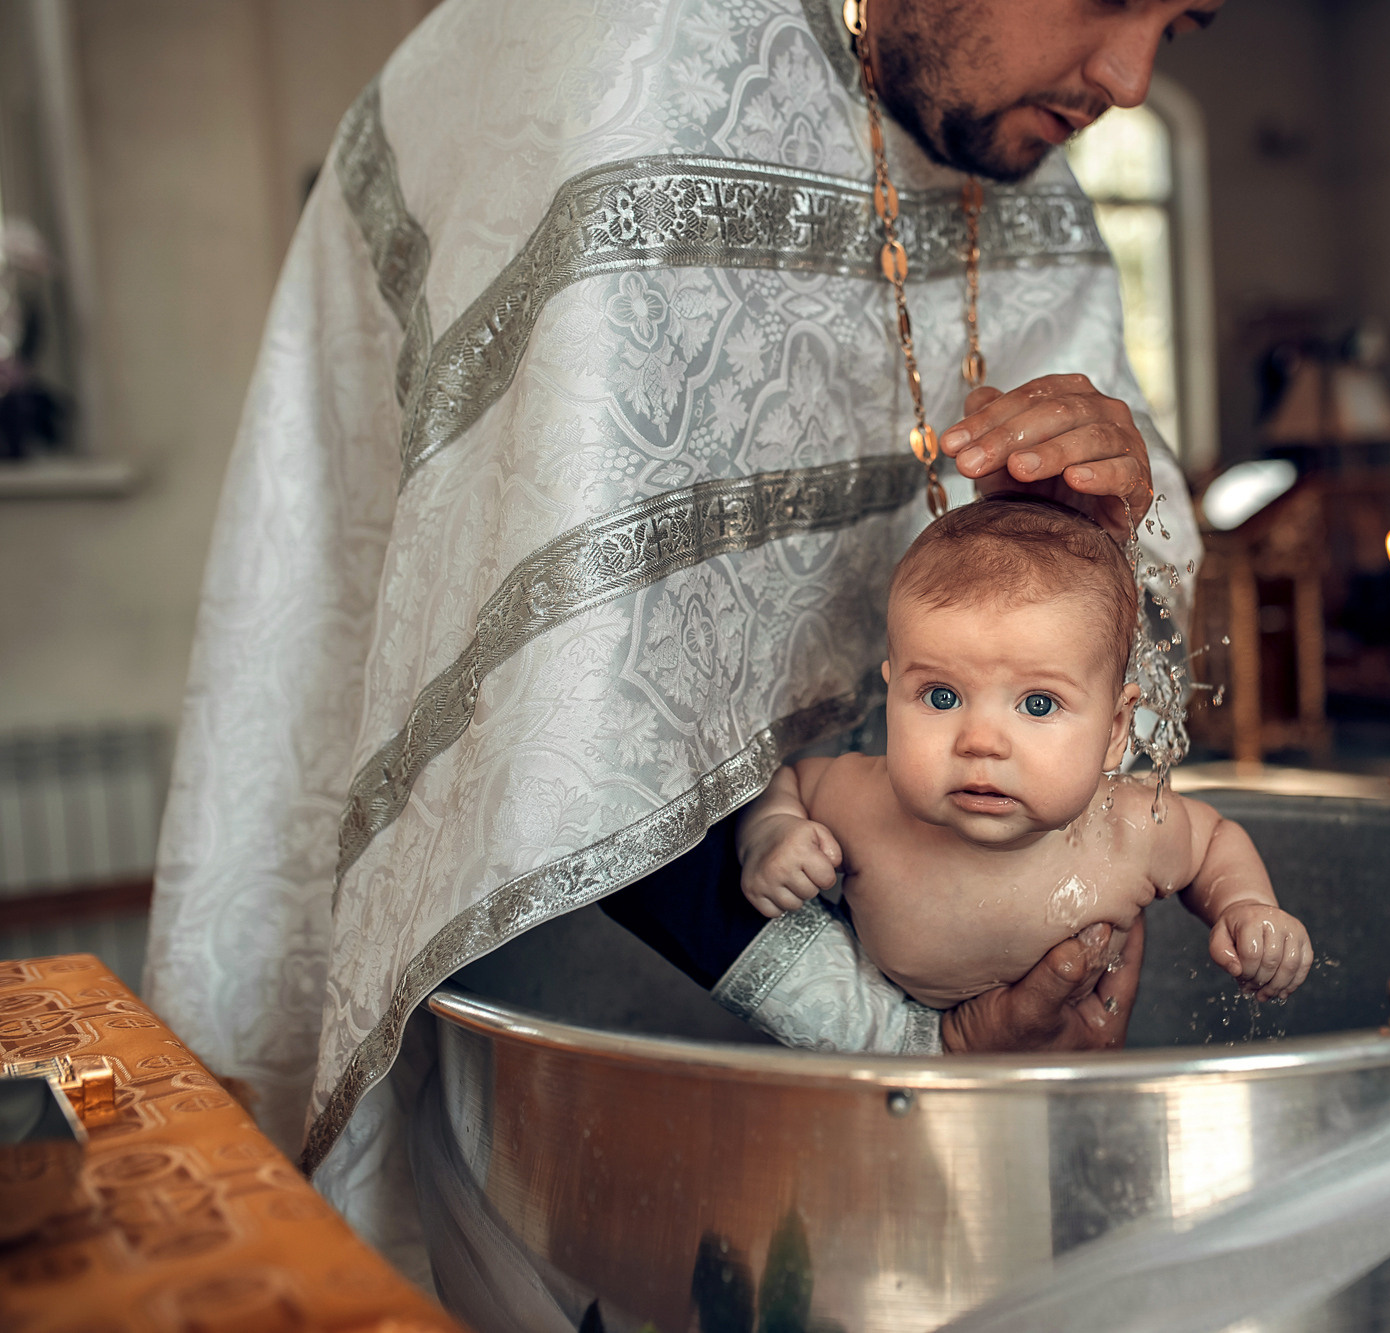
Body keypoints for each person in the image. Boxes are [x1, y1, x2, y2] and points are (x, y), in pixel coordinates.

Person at [144, 0, 1216, 1283]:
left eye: (1184, 24)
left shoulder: (1022, 176)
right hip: (577, 1000)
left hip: (900, 949)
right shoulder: (626, 58)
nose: (1132, 78)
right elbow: (577, 712)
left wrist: (1086, 543)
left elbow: (1099, 662)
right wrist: (904, 1036)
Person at [740, 496, 1312, 1008]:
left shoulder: (1129, 827)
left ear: (1116, 728)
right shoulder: (863, 804)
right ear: (891, 697)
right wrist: (773, 832)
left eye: (1038, 705)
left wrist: (1246, 907)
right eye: (941, 696)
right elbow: (786, 782)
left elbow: (1214, 840)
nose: (980, 741)